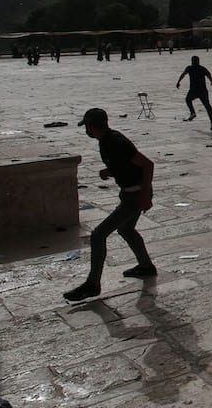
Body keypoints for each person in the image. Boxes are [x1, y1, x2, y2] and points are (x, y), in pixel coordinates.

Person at [63, 108, 156, 301]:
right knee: (126, 229)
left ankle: (93, 284)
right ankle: (145, 266)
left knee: (98, 235)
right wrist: (110, 171)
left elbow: (148, 165)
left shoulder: (116, 141)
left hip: (135, 195)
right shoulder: (105, 141)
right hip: (129, 193)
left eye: (86, 127)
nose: (86, 131)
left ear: (91, 126)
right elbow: (126, 164)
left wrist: (145, 195)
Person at [176, 55, 212, 130]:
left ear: (192, 61)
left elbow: (183, 74)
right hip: (202, 90)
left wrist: (178, 82)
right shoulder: (202, 68)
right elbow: (209, 75)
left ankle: (193, 113)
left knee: (188, 100)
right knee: (207, 106)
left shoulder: (189, 68)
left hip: (194, 90)